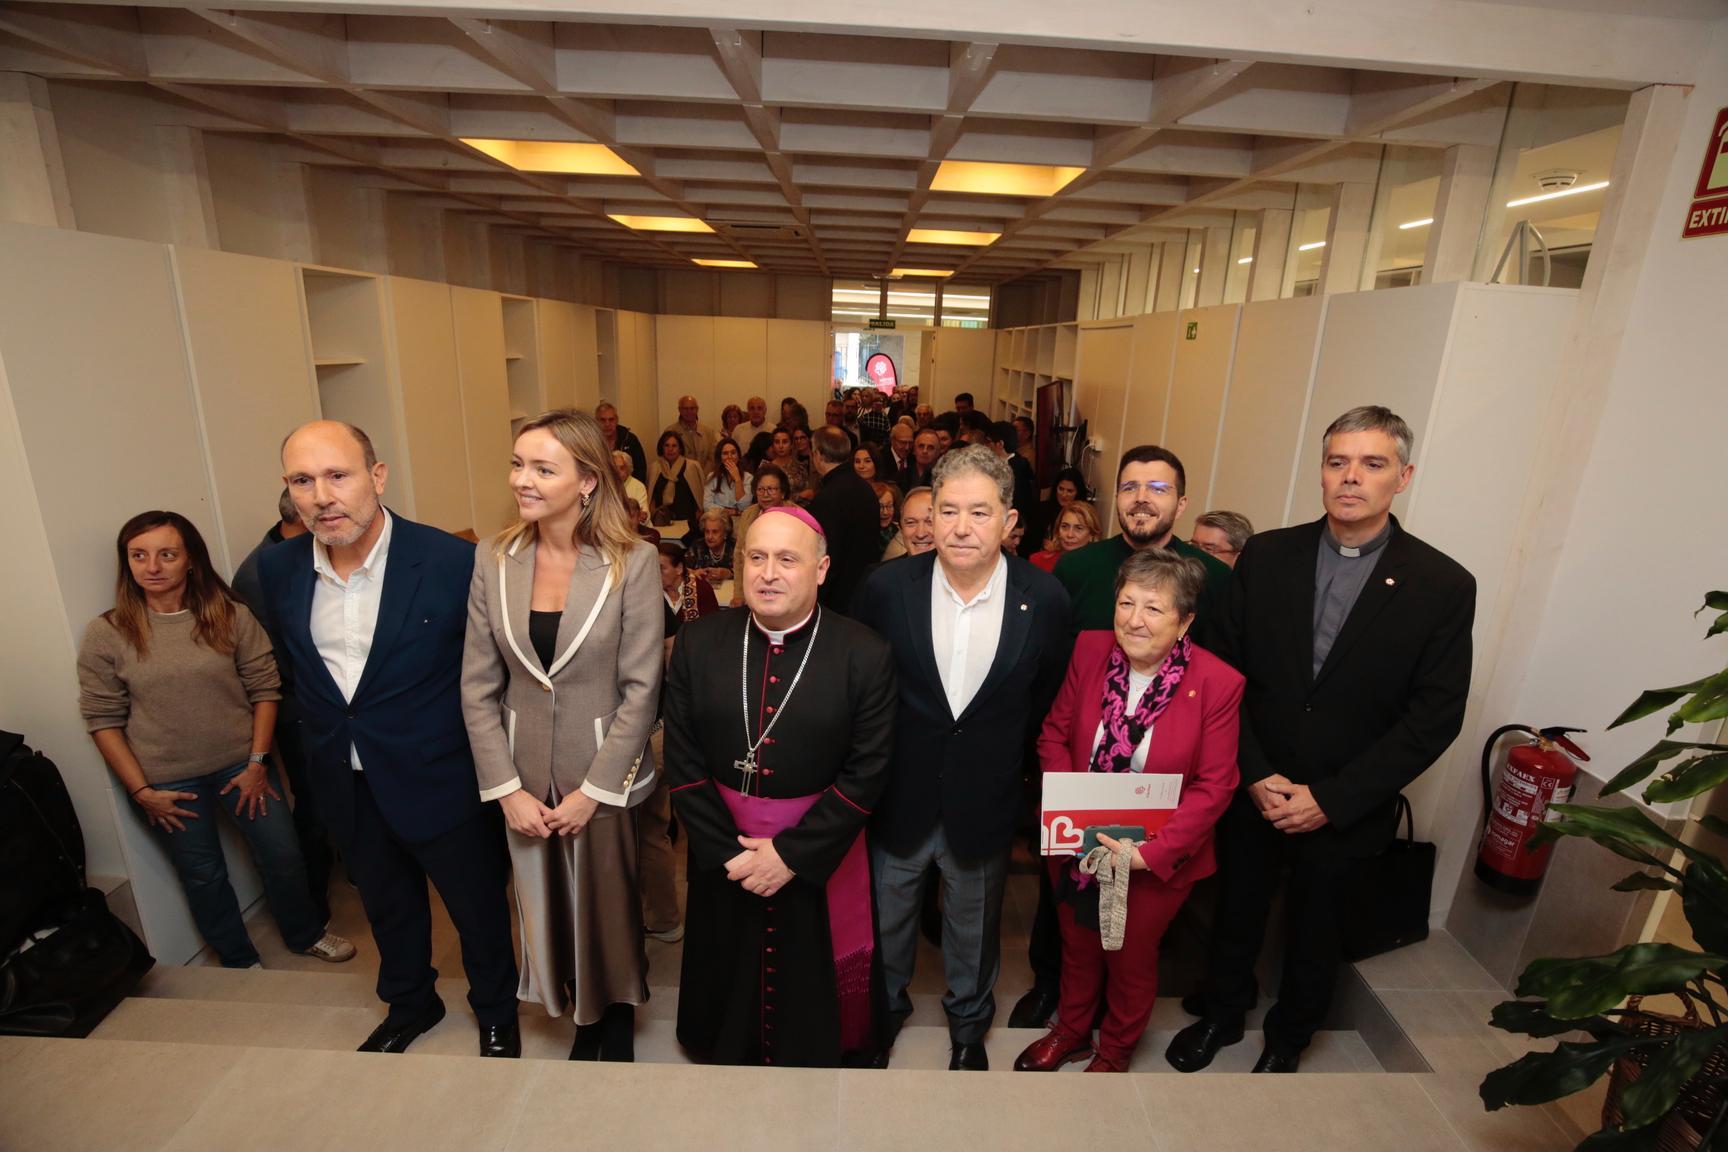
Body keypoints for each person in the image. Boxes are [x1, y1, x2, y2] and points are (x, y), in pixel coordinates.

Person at [1167, 406, 1475, 1075]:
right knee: (1235, 911)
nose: (1351, 478)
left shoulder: (1442, 585)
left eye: (1372, 464)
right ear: (1321, 472)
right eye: (1338, 462)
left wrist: (1334, 798)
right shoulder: (1269, 557)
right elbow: (1217, 672)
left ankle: (1289, 1037)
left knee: (1317, 926)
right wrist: (1250, 769)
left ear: (1404, 476)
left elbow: (1436, 714)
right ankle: (1221, 1012)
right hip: (1257, 782)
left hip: (1346, 800)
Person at [257, 421, 518, 1057]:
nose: (321, 496)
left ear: (377, 477)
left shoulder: (453, 562)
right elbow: (295, 674)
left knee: (476, 906)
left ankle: (495, 1012)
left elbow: (494, 674)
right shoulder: (276, 568)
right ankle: (410, 1003)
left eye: (337, 475)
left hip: (442, 775)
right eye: (302, 481)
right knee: (385, 903)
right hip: (342, 780)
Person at [855, 446, 1070, 1071]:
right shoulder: (886, 588)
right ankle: (881, 1018)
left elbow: (1047, 699)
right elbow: (864, 691)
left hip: (986, 794)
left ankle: (969, 1031)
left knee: (973, 929)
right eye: (948, 510)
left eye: (980, 512)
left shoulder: (1045, 598)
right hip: (899, 792)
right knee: (886, 920)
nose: (960, 527)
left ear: (1008, 521)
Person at [460, 409, 661, 1061]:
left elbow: (640, 690)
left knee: (606, 901)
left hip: (603, 766)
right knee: (544, 902)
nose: (524, 479)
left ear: (587, 481)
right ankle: (576, 1007)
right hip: (523, 770)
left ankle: (615, 1013)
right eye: (519, 464)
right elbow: (477, 683)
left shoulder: (632, 562)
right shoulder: (494, 558)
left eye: (544, 468)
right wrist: (505, 788)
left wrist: (596, 791)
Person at [664, 506, 897, 1066]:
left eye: (787, 559)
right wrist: (729, 855)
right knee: (727, 957)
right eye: (757, 557)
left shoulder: (864, 653)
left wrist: (790, 856)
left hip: (818, 852)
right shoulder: (700, 643)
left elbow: (869, 771)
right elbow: (683, 758)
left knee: (811, 968)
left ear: (821, 569)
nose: (768, 572)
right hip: (725, 851)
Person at [78, 510, 354, 971]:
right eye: (139, 556)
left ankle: (305, 933)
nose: (153, 566)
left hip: (242, 767)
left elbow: (265, 690)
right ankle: (238, 960)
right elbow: (102, 719)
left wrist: (257, 762)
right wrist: (142, 792)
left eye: (167, 554)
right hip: (166, 783)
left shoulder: (229, 616)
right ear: (126, 564)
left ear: (190, 560)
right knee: (203, 875)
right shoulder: (107, 633)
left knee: (284, 855)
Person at [1013, 550, 1242, 1074]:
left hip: (1153, 857)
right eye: (1126, 603)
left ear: (1185, 621)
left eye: (1154, 609)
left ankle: (1114, 1051)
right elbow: (1053, 733)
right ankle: (1070, 1031)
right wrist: (1070, 809)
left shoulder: (1216, 682)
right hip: (1077, 840)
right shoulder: (1090, 649)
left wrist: (1150, 853)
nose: (1134, 619)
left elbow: (1215, 785)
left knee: (1129, 957)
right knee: (1076, 942)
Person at [230, 487, 333, 920]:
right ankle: (313, 905)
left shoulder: (305, 552)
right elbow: (280, 658)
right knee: (314, 798)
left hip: (323, 697)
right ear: (300, 518)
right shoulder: (260, 573)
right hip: (298, 704)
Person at [1053, 446, 1230, 646]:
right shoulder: (1074, 567)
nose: (1141, 498)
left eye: (1158, 489)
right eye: (1129, 488)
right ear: (1117, 498)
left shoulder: (1214, 577)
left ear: (1180, 505)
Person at [805, 425, 881, 611]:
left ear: (818, 454)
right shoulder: (865, 489)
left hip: (836, 602)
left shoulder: (826, 498)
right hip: (864, 593)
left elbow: (828, 558)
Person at [988, 421, 1038, 557]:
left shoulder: (1017, 468)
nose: (987, 447)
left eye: (990, 442)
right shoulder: (1002, 465)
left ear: (1000, 444)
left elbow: (1019, 504)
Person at [733, 465, 789, 560]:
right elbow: (739, 553)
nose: (765, 494)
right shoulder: (748, 514)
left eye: (771, 489)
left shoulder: (797, 516)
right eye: (760, 489)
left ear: (783, 493)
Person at [1030, 502, 1102, 573]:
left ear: (1092, 534)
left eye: (1079, 528)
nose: (1069, 535)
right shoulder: (1038, 560)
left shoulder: (1099, 567)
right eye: (1064, 526)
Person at [660, 540, 720, 624]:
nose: (655, 572)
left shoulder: (702, 589)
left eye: (661, 568)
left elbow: (713, 626)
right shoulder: (649, 592)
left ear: (679, 569)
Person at [649, 431, 704, 524]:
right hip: (662, 520)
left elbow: (700, 494)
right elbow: (651, 497)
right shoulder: (655, 467)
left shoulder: (692, 466)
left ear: (680, 448)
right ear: (661, 447)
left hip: (688, 520)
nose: (670, 449)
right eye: (667, 445)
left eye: (674, 446)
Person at [1031, 466, 1087, 553]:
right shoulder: (1041, 510)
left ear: (1078, 492)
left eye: (1070, 491)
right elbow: (1031, 540)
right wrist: (1042, 542)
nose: (1064, 495)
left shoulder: (1085, 514)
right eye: (1061, 489)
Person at [596, 401, 648, 483]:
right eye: (603, 420)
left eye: (611, 419)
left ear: (616, 420)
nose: (607, 424)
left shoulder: (630, 439)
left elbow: (640, 469)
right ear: (596, 421)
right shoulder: (591, 442)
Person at [879, 486, 935, 561]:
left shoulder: (955, 571)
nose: (920, 534)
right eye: (911, 522)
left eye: (930, 522)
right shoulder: (882, 572)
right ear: (901, 529)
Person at [704, 437, 753, 519]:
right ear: (720, 457)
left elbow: (744, 506)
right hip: (718, 520)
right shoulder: (712, 477)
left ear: (738, 455)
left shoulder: (748, 477)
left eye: (733, 453)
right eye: (725, 453)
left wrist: (738, 479)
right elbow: (707, 505)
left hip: (740, 521)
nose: (729, 457)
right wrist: (733, 512)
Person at [662, 395, 717, 466]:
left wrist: (701, 475)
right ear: (679, 410)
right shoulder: (670, 431)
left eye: (692, 408)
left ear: (697, 409)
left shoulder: (708, 432)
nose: (689, 412)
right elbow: (666, 459)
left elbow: (713, 458)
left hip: (704, 475)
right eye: (685, 409)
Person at [684, 508, 735, 584]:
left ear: (725, 533)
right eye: (707, 531)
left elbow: (746, 571)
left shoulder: (735, 547)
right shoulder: (697, 546)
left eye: (715, 532)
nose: (709, 536)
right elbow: (681, 569)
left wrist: (730, 573)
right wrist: (694, 572)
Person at [766, 427, 808, 498]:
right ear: (773, 445)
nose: (781, 446)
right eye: (777, 442)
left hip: (799, 507)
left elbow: (808, 492)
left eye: (785, 442)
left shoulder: (801, 467)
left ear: (791, 445)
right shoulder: (766, 469)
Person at [612, 449, 649, 514]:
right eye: (614, 468)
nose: (617, 472)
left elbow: (644, 514)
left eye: (622, 468)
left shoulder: (638, 486)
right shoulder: (606, 484)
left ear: (628, 469)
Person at [871, 482, 901, 557]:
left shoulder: (898, 530)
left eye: (889, 506)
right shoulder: (863, 534)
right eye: (880, 507)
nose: (885, 512)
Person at [885, 423, 917, 490]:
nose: (907, 447)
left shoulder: (915, 459)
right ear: (892, 440)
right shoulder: (881, 458)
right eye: (903, 442)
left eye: (910, 443)